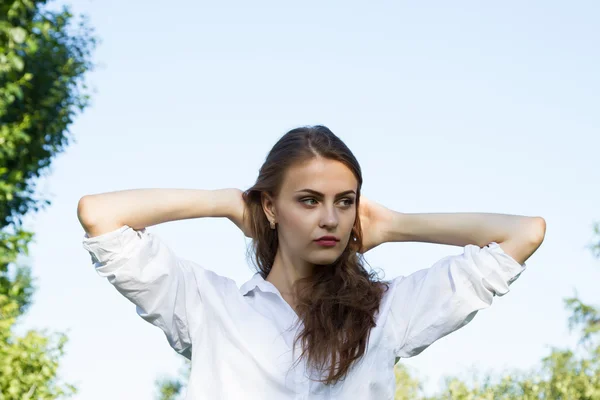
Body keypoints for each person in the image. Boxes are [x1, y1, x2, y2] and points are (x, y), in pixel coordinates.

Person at [78, 125, 545, 399]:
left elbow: (523, 233)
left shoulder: (389, 310)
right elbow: (100, 216)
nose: (330, 218)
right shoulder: (207, 306)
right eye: (307, 200)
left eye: (345, 202)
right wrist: (224, 202)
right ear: (270, 207)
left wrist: (395, 226)